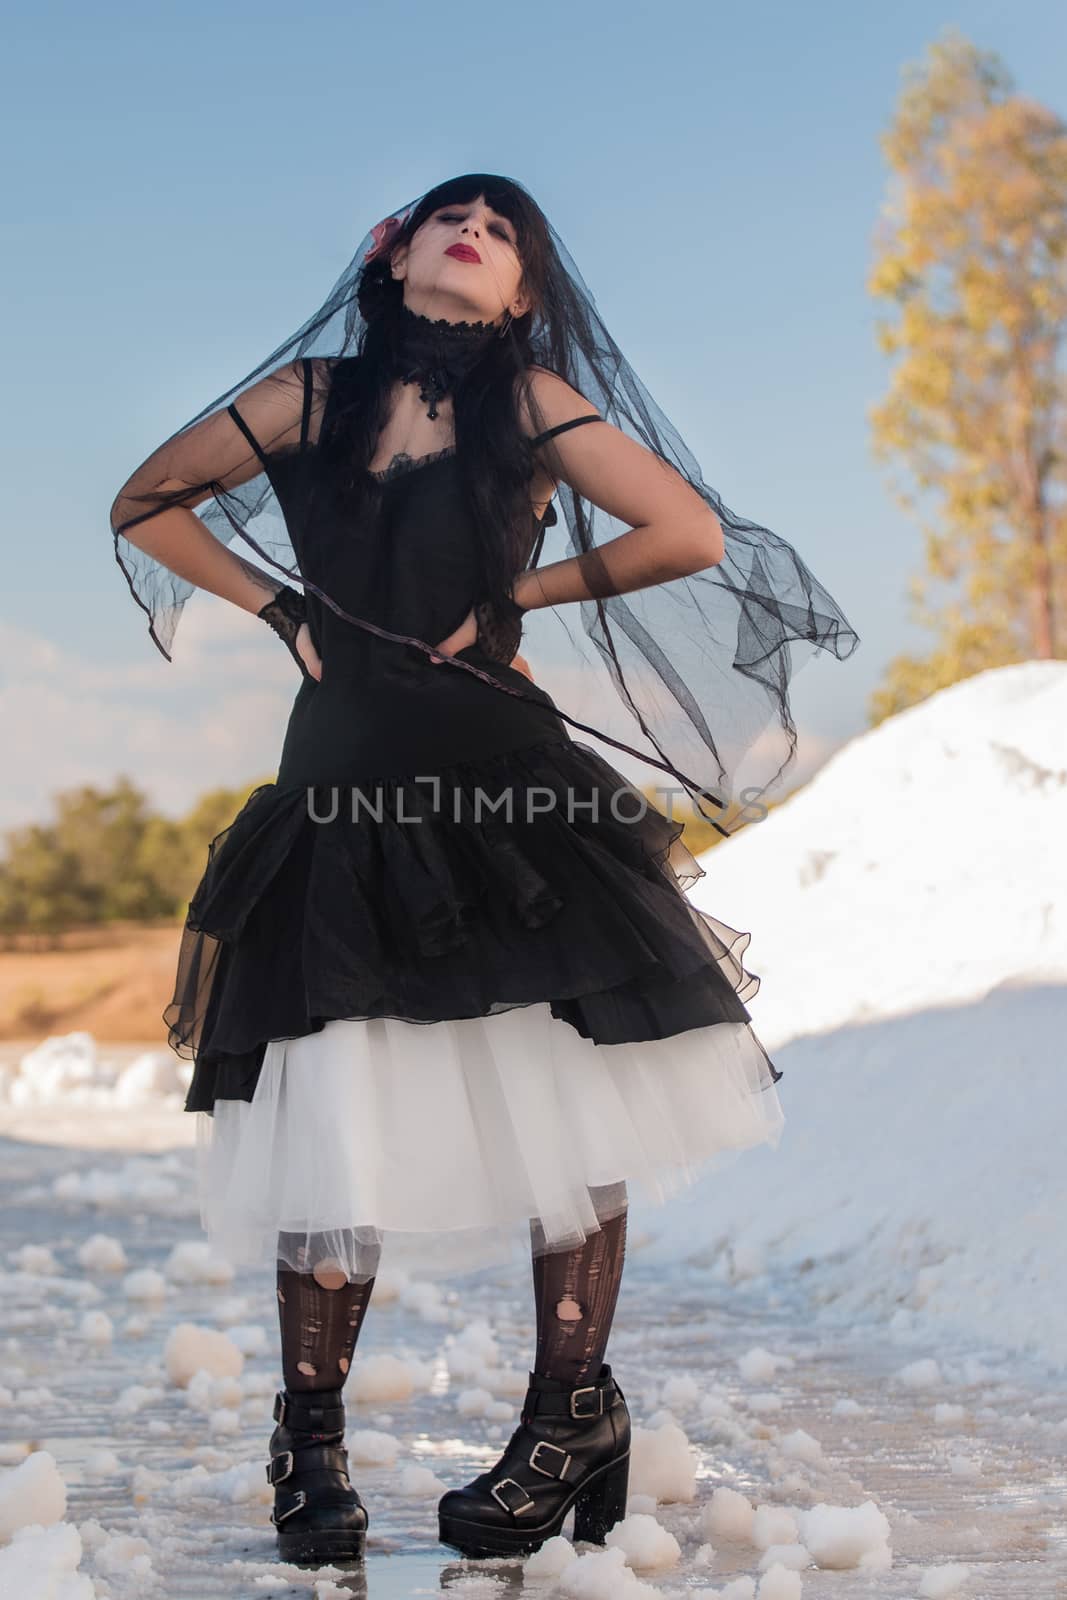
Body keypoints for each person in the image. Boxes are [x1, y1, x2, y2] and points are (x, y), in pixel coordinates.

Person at [109, 173, 858, 1568]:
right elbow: (144, 499)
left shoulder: (532, 404)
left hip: (501, 789)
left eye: (505, 230)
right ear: (393, 258)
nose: (476, 232)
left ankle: (567, 1416)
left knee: (562, 1107)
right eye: (454, 215)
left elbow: (688, 533)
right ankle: (311, 1448)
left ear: (522, 290)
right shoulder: (313, 398)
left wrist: (521, 596)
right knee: (333, 1107)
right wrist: (281, 609)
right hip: (338, 785)